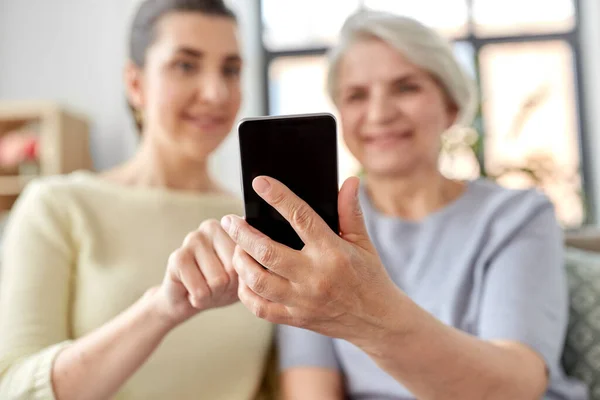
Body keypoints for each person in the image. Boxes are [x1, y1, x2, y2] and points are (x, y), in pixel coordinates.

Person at [214, 10, 589, 400]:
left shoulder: (516, 218)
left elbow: (516, 386)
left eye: (406, 87)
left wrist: (366, 315)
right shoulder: (316, 234)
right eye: (357, 95)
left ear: (451, 106)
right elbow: (311, 387)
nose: (379, 113)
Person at [0, 1, 274, 399]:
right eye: (185, 65)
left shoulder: (252, 221)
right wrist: (162, 309)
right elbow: (13, 389)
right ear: (135, 83)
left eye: (230, 70)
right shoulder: (57, 207)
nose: (216, 93)